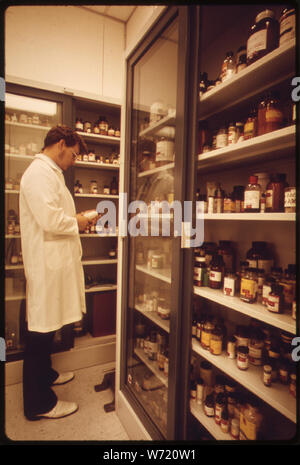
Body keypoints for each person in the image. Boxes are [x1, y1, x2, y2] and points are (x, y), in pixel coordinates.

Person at [19, 125, 92, 420]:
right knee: (40, 331)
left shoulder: (50, 173)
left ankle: (46, 375)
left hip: (53, 265)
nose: (74, 161)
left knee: (47, 326)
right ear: (61, 144)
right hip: (45, 267)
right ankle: (39, 404)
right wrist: (80, 221)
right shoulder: (38, 174)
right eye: (73, 155)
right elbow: (51, 220)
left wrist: (76, 220)